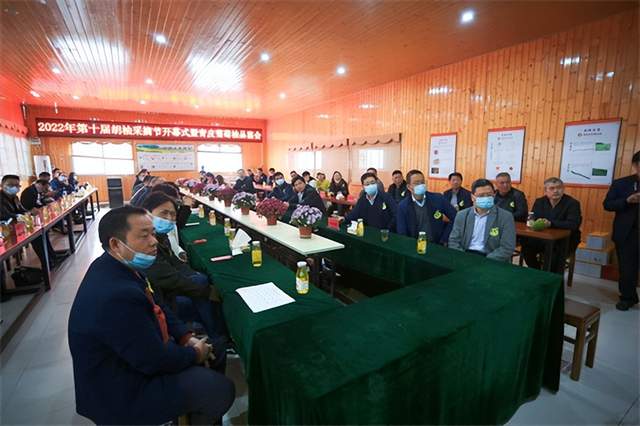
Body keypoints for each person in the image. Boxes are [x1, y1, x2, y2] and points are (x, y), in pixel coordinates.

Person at [68, 206, 234, 425]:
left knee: (215, 348)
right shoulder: (117, 295)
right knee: (218, 389)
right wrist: (194, 354)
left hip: (138, 359)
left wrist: (185, 336)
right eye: (144, 235)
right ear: (115, 244)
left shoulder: (119, 266)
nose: (154, 241)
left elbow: (158, 304)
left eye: (153, 233)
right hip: (122, 390)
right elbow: (154, 360)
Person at [142, 193, 228, 350]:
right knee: (203, 291)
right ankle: (217, 337)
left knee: (200, 279)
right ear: (147, 212)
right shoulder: (146, 243)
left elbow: (177, 264)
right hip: (162, 298)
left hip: (167, 290)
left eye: (173, 214)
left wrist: (194, 276)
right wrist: (206, 290)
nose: (169, 219)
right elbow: (169, 278)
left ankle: (215, 334)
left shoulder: (160, 236)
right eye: (164, 213)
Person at [521, 177, 582, 273]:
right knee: (526, 246)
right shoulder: (540, 201)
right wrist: (534, 222)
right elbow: (534, 218)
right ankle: (537, 272)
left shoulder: (572, 203)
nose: (556, 191)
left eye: (559, 188)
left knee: (554, 256)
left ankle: (551, 277)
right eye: (552, 188)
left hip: (565, 239)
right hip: (544, 237)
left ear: (563, 189)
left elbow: (573, 224)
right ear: (546, 191)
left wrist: (551, 223)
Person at [604, 151, 640, 310]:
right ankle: (627, 297)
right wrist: (627, 200)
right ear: (635, 165)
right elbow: (607, 204)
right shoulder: (621, 183)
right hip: (627, 233)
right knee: (627, 268)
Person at [1, 175, 62, 267]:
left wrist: (27, 213)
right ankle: (47, 263)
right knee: (37, 236)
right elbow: (4, 215)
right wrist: (20, 216)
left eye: (17, 185)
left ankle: (51, 257)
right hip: (5, 230)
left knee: (40, 232)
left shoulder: (15, 197)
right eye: (11, 185)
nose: (14, 187)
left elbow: (22, 210)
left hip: (18, 226)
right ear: (2, 185)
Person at [448, 178, 516, 262]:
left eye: (489, 195)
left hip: (491, 258)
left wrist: (485, 261)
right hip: (465, 255)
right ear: (472, 197)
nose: (486, 198)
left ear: (494, 195)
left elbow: (507, 247)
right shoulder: (462, 215)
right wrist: (463, 258)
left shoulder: (505, 217)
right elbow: (453, 241)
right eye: (481, 195)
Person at [396, 170, 457, 244]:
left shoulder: (438, 198)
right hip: (414, 245)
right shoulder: (403, 206)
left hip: (437, 244)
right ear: (409, 187)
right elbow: (402, 233)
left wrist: (445, 238)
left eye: (422, 182)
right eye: (416, 183)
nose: (420, 185)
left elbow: (456, 217)